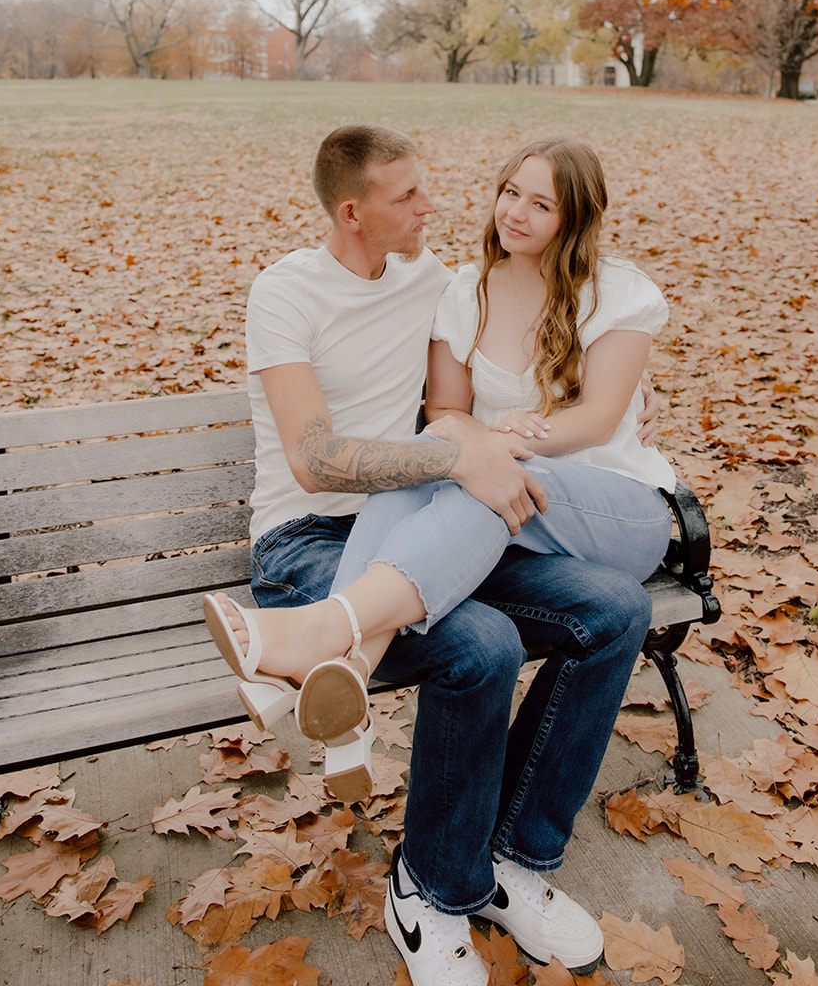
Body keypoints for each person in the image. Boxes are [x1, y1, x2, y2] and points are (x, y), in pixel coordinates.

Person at [204, 125, 658, 986]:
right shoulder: (286, 293)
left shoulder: (437, 282)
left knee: (615, 610)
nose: (433, 207)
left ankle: (512, 858)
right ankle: (432, 888)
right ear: (354, 212)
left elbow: (555, 339)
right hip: (308, 538)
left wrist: (623, 402)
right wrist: (460, 454)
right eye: (409, 196)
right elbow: (316, 459)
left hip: (432, 520)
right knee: (480, 644)